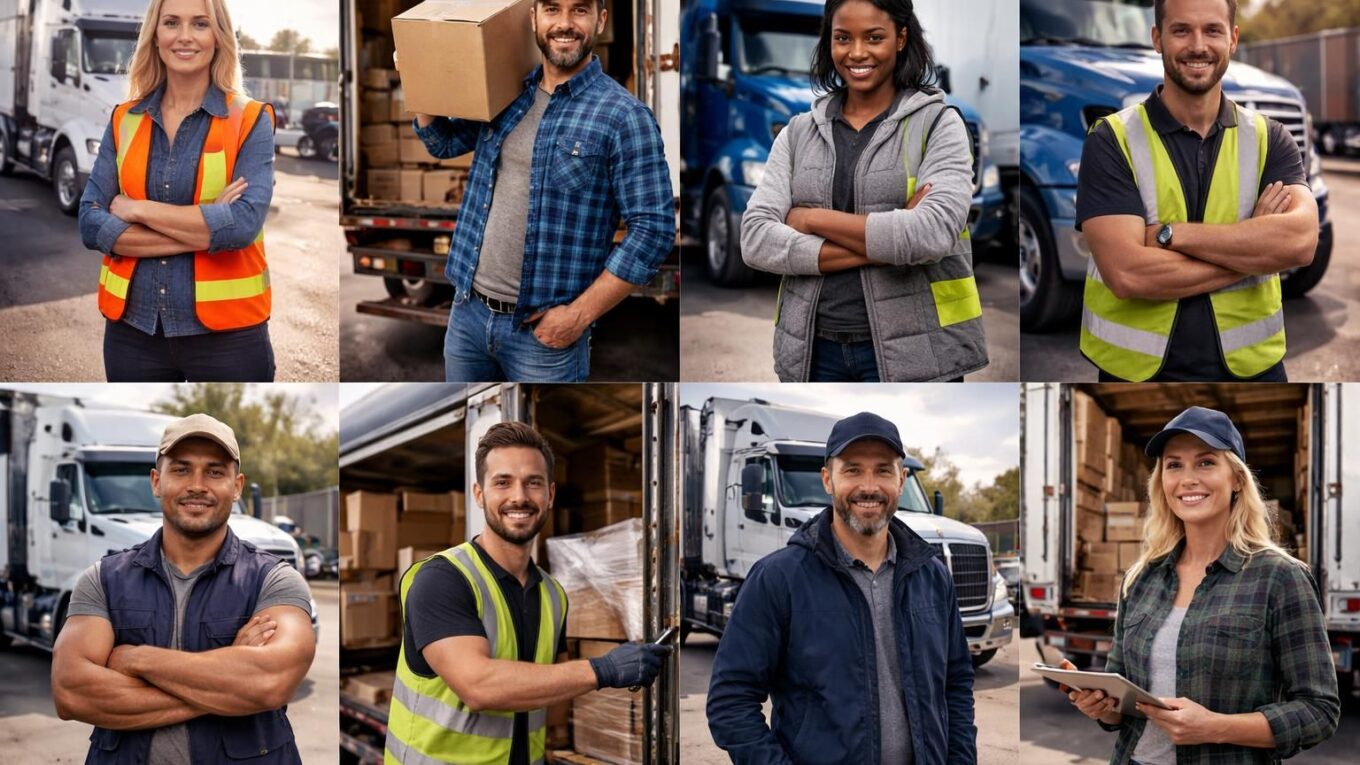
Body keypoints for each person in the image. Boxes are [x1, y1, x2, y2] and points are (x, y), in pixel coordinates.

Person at [399, 0, 674, 383]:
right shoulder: (505, 95)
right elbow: (441, 143)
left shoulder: (624, 117)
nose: (564, 23)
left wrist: (577, 316)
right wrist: (417, 78)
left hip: (543, 337)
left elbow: (654, 231)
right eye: (552, 9)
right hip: (467, 316)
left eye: (579, 10)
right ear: (534, 18)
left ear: (601, 20)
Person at [1063, 406, 1339, 764]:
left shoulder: (1280, 577)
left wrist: (1215, 727)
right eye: (1174, 465)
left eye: (1206, 462)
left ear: (1237, 478)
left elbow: (1319, 711)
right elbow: (1124, 703)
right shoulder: (1141, 578)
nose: (1188, 478)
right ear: (1161, 480)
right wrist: (1102, 707)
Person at [384, 422, 671, 764]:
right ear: (479, 494)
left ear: (550, 494)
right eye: (502, 482)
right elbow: (477, 685)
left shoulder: (553, 595)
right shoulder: (442, 578)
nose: (519, 496)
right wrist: (603, 669)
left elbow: (553, 691)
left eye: (532, 483)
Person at [707, 412, 977, 763]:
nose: (869, 486)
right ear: (828, 480)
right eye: (852, 469)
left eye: (883, 470)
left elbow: (955, 684)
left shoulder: (933, 576)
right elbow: (730, 701)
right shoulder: (778, 579)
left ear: (902, 480)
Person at [739, 0, 987, 383]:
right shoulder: (797, 132)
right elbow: (755, 239)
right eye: (842, 38)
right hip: (812, 352)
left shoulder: (939, 124)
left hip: (917, 356)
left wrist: (809, 218)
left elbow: (930, 233)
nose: (856, 53)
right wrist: (890, 245)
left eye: (874, 37)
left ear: (901, 38)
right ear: (829, 41)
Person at [1076, 0, 1319, 382]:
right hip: (1138, 377)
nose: (1198, 45)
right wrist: (1254, 248)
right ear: (1157, 38)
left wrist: (1170, 235)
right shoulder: (1112, 139)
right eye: (1181, 30)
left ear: (1233, 39)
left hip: (1253, 372)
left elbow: (1301, 242)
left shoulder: (1270, 138)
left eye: (1212, 30)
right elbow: (1126, 274)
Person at [51, 413, 316, 764]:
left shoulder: (274, 579)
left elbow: (270, 683)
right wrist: (231, 683)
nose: (197, 484)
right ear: (156, 481)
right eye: (181, 469)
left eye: (215, 471)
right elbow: (72, 693)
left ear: (236, 487)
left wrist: (134, 658)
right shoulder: (102, 579)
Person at [78, 0, 276, 382]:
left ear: (218, 36)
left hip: (229, 339)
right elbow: (90, 223)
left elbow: (241, 226)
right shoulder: (123, 119)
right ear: (155, 35)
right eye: (171, 22)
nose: (185, 36)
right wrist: (205, 227)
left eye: (200, 24)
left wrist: (136, 209)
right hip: (133, 335)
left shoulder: (250, 119)